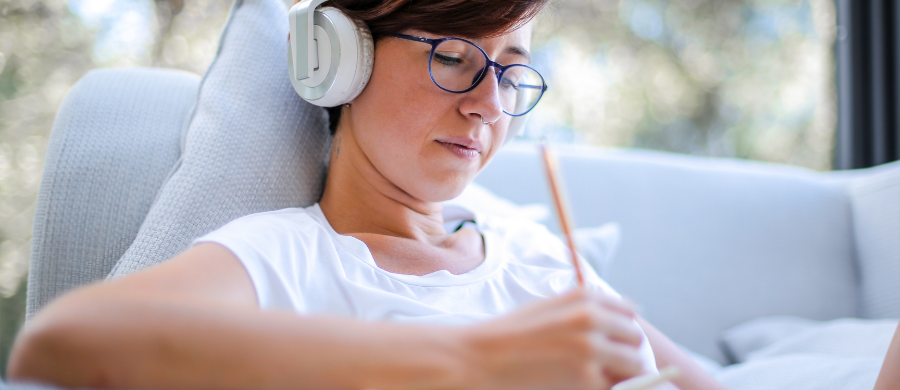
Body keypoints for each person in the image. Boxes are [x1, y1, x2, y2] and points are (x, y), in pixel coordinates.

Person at [8, 1, 725, 389]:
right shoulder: (284, 254)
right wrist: (475, 363)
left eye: (510, 72)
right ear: (339, 58)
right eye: (452, 56)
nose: (489, 105)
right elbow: (62, 341)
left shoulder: (541, 259)